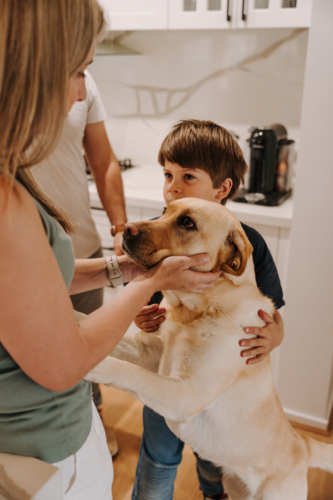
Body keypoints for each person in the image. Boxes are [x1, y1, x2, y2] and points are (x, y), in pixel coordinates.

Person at [0, 4, 220, 499]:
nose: (82, 91)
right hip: (45, 453)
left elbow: (33, 284)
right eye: (77, 70)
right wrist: (153, 282)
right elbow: (63, 363)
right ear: (31, 69)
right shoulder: (5, 202)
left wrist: (122, 267)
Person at [131, 120, 285, 500]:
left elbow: (271, 309)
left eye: (187, 176)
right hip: (166, 373)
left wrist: (275, 335)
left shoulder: (247, 243)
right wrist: (140, 316)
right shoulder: (159, 231)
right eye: (167, 174)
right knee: (158, 456)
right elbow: (144, 296)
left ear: (223, 188)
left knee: (214, 464)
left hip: (218, 391)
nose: (172, 187)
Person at [32, 68, 126, 456]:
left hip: (82, 246)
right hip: (29, 257)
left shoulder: (83, 88)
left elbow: (104, 162)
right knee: (42, 363)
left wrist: (120, 228)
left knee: (85, 355)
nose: (81, 88)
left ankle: (93, 420)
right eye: (76, 71)